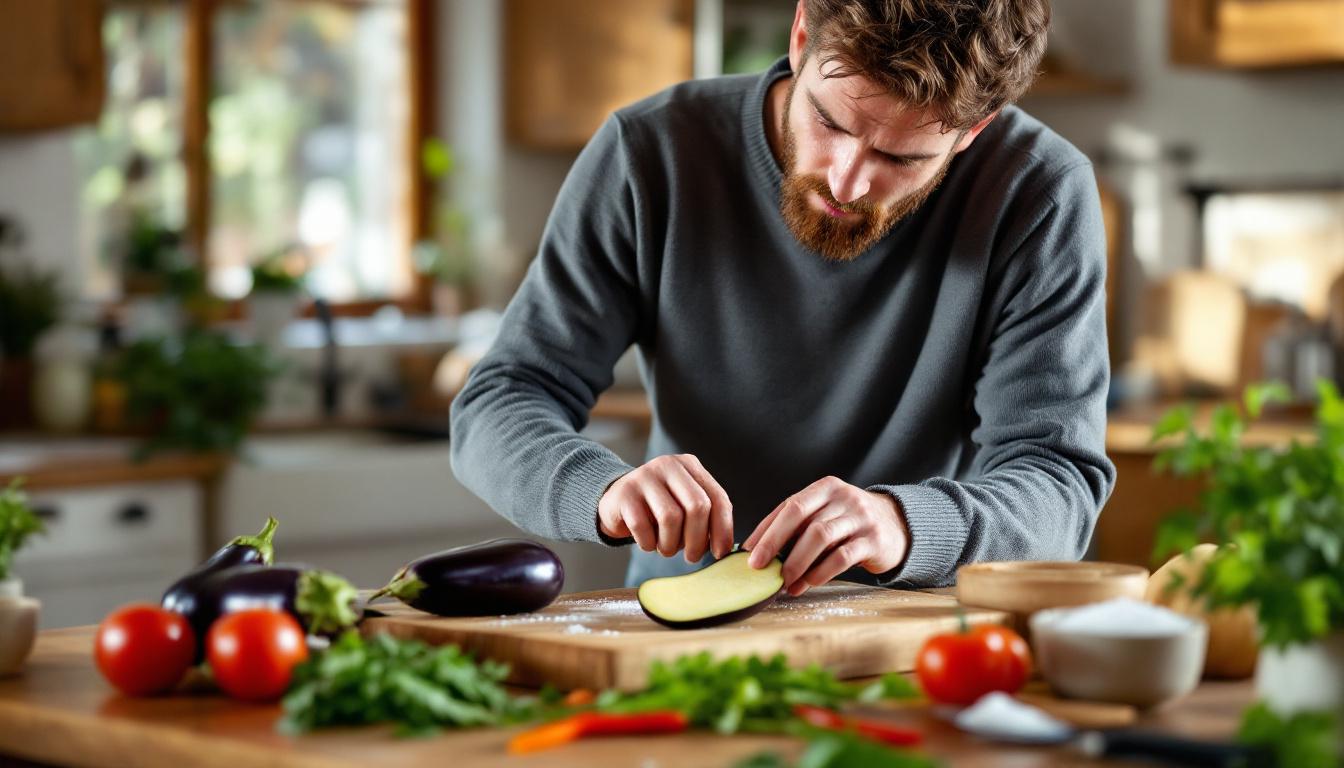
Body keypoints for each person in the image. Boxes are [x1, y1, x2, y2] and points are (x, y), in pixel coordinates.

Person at [450, 0, 1116, 594]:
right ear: (801, 36)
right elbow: (501, 399)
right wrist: (599, 487)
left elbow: (1057, 483)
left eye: (902, 159)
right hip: (684, 630)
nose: (847, 183)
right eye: (830, 121)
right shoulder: (651, 153)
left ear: (973, 130)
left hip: (915, 645)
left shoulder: (1040, 194)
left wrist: (903, 525)